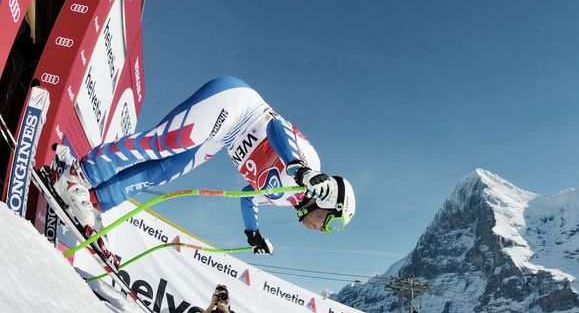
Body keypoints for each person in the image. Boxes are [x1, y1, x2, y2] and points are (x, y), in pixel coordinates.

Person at [50, 76, 356, 251]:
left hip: (221, 138)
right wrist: (297, 166)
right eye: (332, 223)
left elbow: (249, 198)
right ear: (328, 199)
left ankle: (94, 201)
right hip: (235, 107)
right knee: (163, 142)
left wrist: (253, 233)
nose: (323, 230)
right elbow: (278, 127)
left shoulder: (289, 199)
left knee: (164, 172)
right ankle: (78, 176)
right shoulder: (310, 164)